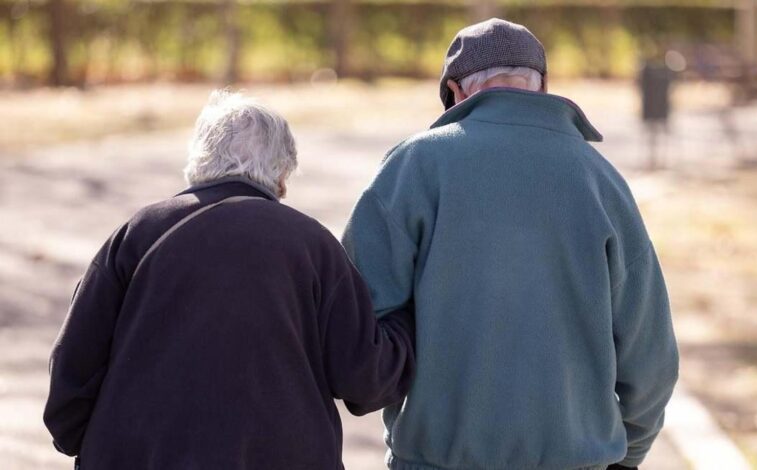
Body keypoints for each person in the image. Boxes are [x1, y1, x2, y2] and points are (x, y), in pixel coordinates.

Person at [342, 18, 678, 470]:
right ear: (539, 89)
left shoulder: (414, 167)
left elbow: (359, 330)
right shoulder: (600, 179)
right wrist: (623, 454)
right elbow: (651, 357)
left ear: (457, 93)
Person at [43, 90, 416, 469]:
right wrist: (407, 322)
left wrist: (92, 444)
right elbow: (365, 379)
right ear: (282, 175)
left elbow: (73, 368)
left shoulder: (140, 233)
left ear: (198, 161)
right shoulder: (312, 245)